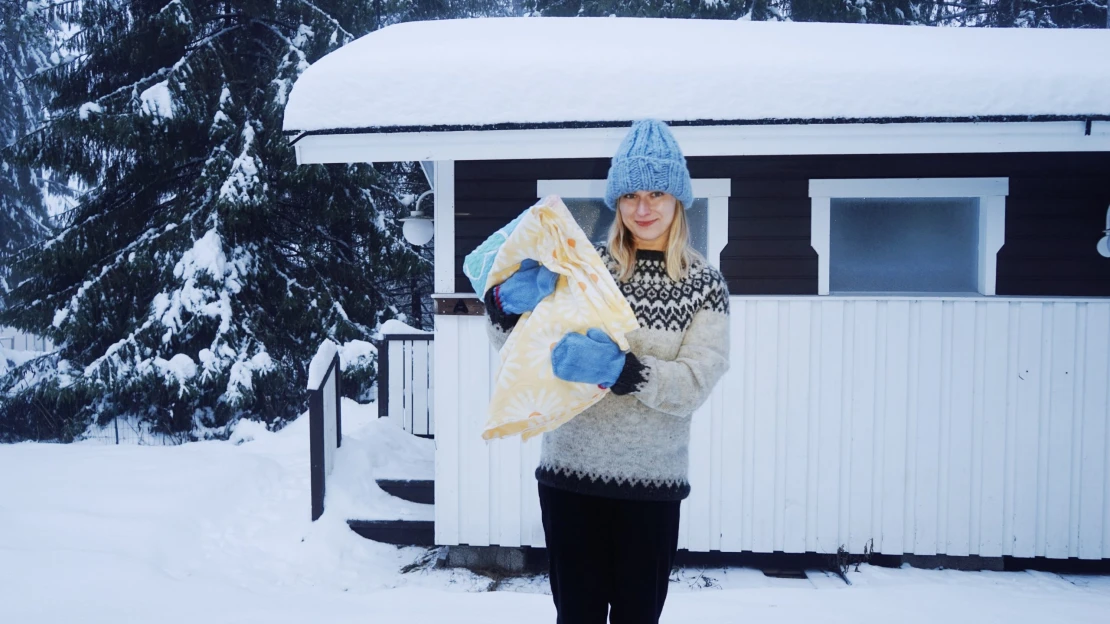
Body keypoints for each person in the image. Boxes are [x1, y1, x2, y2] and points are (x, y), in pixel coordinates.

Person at [482, 119, 731, 624]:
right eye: (631, 195)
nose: (643, 208)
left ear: (678, 199)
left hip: (651, 489)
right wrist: (506, 305)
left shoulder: (705, 285)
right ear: (616, 201)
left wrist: (625, 371)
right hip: (570, 479)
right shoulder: (585, 268)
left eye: (657, 193)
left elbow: (695, 382)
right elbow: (522, 351)